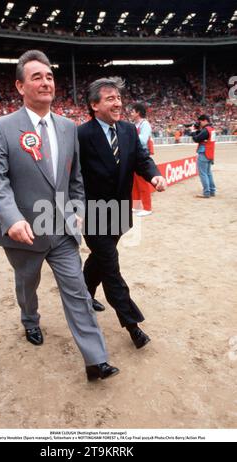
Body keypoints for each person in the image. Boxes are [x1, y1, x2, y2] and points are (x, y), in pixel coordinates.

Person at [0, 49, 118, 381]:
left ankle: (95, 359)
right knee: (27, 286)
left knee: (78, 292)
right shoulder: (2, 126)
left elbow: (76, 179)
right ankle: (30, 320)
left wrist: (79, 210)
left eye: (49, 76)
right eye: (36, 77)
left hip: (60, 230)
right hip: (23, 231)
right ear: (19, 86)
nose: (45, 82)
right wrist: (12, 218)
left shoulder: (68, 128)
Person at [78, 77, 166, 348]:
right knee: (111, 267)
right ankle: (132, 324)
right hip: (93, 215)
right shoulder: (81, 135)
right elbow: (71, 174)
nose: (118, 103)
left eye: (118, 98)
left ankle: (83, 293)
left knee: (100, 260)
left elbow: (142, 159)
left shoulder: (128, 130)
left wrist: (154, 176)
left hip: (119, 213)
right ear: (94, 105)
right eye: (110, 99)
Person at [131, 102, 154, 217]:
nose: (131, 113)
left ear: (138, 113)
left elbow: (143, 140)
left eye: (132, 111)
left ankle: (147, 207)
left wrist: (130, 137)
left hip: (141, 156)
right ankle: (136, 206)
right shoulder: (135, 124)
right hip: (134, 156)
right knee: (134, 183)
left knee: (143, 183)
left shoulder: (145, 124)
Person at [191, 114, 216, 198]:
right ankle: (212, 190)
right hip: (210, 153)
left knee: (203, 173)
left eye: (200, 121)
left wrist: (193, 132)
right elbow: (202, 137)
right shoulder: (212, 129)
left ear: (205, 120)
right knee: (208, 173)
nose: (199, 123)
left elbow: (196, 139)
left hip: (204, 152)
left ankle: (206, 192)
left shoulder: (206, 130)